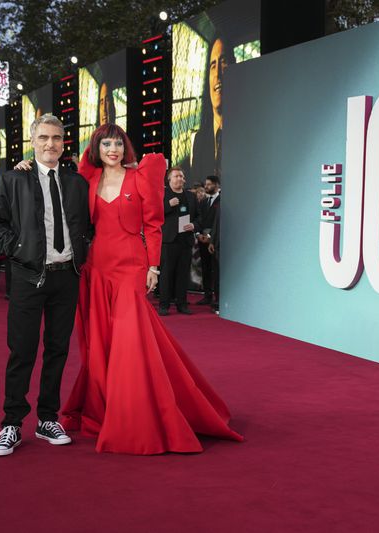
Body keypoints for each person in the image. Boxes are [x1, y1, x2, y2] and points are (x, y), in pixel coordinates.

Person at [16, 123, 242, 454]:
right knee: (101, 342)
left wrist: (153, 266)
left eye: (118, 144)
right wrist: (24, 165)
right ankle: (105, 406)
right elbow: (52, 185)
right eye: (106, 143)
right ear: (97, 147)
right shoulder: (86, 179)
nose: (113, 149)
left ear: (125, 148)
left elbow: (153, 225)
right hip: (95, 268)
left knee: (131, 340)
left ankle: (136, 414)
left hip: (131, 268)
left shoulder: (140, 177)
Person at [0, 114, 91, 457]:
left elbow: (89, 220)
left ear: (63, 142)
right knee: (22, 351)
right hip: (28, 277)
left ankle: (47, 418)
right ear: (33, 140)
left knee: (58, 351)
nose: (50, 144)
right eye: (43, 137)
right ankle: (11, 423)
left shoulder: (76, 183)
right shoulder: (13, 179)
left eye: (56, 138)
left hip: (66, 277)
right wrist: (18, 247)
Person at [159, 166, 199, 316]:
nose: (180, 179)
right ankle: (164, 305)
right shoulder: (163, 194)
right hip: (168, 240)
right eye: (176, 176)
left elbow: (199, 217)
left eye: (181, 177)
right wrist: (168, 205)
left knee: (183, 274)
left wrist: (194, 225)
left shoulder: (191, 196)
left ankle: (182, 304)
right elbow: (154, 213)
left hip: (185, 240)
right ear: (169, 179)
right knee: (166, 274)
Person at [191, 36, 230, 181]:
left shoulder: (248, 132)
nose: (217, 74)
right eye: (213, 65)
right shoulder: (200, 139)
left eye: (223, 61)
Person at [197, 175, 220, 305]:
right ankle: (207, 295)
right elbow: (199, 220)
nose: (206, 186)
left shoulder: (222, 200)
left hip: (215, 241)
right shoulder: (203, 202)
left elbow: (218, 222)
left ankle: (217, 298)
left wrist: (210, 237)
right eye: (205, 184)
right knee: (205, 268)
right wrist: (199, 234)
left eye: (209, 184)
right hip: (202, 239)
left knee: (215, 269)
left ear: (216, 185)